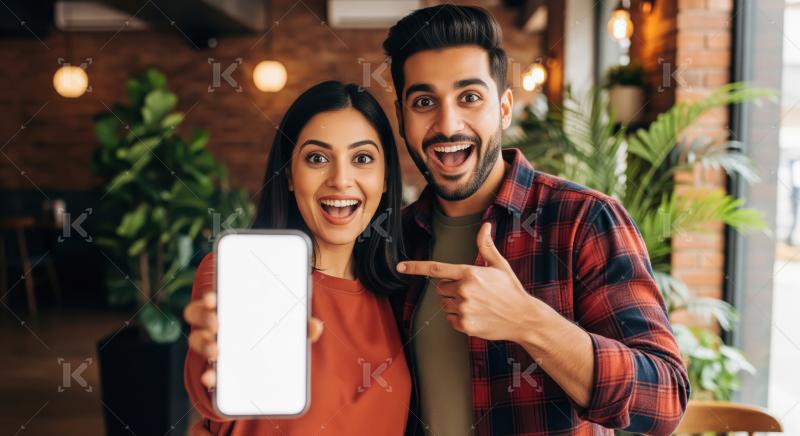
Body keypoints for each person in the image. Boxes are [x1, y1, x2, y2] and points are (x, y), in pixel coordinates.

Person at [383, 5, 690, 435]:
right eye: (424, 102)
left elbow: (664, 402)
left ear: (504, 108)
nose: (447, 123)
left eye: (469, 97)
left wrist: (527, 321)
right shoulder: (393, 238)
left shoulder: (584, 219)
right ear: (402, 118)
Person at [183, 81, 411, 435]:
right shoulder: (239, 275)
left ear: (385, 180)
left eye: (362, 158)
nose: (340, 180)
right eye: (317, 158)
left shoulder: (398, 288)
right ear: (289, 174)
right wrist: (218, 361)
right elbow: (215, 393)